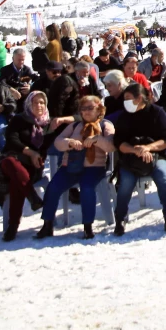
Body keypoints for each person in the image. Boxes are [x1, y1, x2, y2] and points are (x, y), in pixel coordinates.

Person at [36, 94, 115, 240]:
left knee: (86, 187)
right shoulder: (74, 126)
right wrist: (69, 142)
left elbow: (111, 146)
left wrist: (97, 139)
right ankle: (47, 224)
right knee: (53, 186)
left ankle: (87, 226)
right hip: (71, 166)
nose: (86, 112)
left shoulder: (105, 125)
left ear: (99, 110)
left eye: (90, 108)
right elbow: (58, 142)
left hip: (94, 166)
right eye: (83, 108)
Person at [112, 83, 166, 235]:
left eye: (128, 98)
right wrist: (136, 150)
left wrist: (148, 148)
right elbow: (119, 142)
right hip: (129, 156)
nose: (125, 101)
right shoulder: (124, 116)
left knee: (162, 175)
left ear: (139, 98)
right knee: (125, 182)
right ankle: (120, 218)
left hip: (156, 155)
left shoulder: (157, 112)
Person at [0, 90, 51, 241]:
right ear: (29, 103)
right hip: (11, 159)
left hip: (32, 166)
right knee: (10, 163)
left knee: (17, 182)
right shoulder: (19, 119)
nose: (39, 105)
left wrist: (37, 156)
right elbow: (12, 140)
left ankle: (12, 226)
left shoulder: (48, 123)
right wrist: (31, 153)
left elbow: (49, 145)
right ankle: (32, 196)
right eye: (35, 102)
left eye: (42, 102)